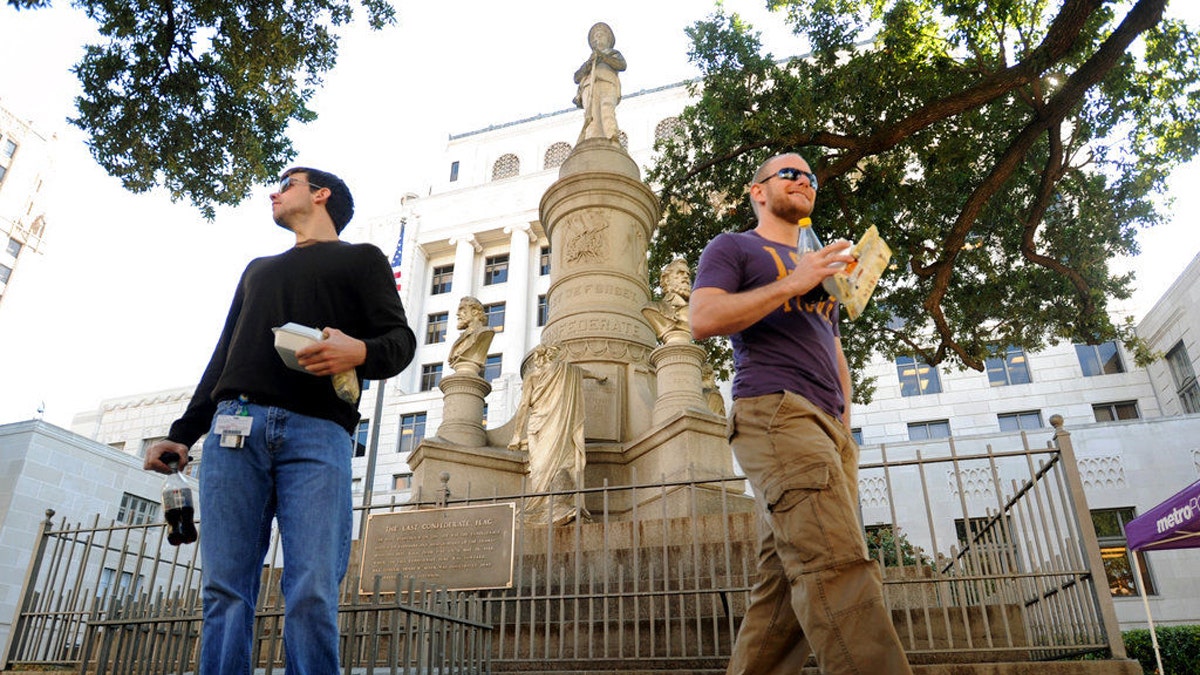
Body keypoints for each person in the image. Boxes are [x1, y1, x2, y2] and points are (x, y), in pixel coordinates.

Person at [143, 167, 416, 675]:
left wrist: (357, 351)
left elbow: (400, 342)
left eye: (287, 183)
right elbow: (223, 356)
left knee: (312, 585)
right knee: (226, 585)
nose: (273, 191)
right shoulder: (257, 269)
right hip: (233, 429)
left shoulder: (362, 259)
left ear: (321, 194)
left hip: (319, 434)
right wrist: (182, 434)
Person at [690, 153, 912, 675]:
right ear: (758, 191)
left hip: (828, 427)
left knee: (783, 590)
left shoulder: (823, 266)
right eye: (789, 173)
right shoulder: (735, 247)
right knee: (836, 564)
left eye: (811, 177)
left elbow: (831, 346)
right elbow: (703, 318)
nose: (804, 181)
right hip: (776, 411)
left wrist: (844, 420)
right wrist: (795, 279)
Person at [508, 343, 596, 525]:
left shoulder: (536, 375)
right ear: (556, 356)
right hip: (554, 424)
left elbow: (524, 406)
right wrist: (599, 376)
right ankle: (543, 508)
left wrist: (516, 434)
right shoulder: (567, 371)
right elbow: (584, 372)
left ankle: (548, 506)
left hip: (540, 426)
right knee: (555, 463)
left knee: (542, 467)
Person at [573, 22, 626, 143]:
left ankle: (611, 136)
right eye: (595, 37)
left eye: (601, 35)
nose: (598, 38)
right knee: (591, 115)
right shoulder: (590, 59)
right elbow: (576, 77)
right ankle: (592, 139)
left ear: (608, 39)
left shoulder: (612, 53)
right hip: (589, 87)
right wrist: (588, 64)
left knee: (607, 108)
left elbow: (622, 65)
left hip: (607, 83)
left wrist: (603, 57)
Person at [641, 257, 692, 344]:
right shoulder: (652, 308)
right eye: (680, 273)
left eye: (687, 274)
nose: (686, 276)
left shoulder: (696, 311)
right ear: (667, 280)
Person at [447, 296, 494, 375]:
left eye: (461, 309)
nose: (457, 313)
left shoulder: (485, 332)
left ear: (474, 312)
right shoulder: (460, 340)